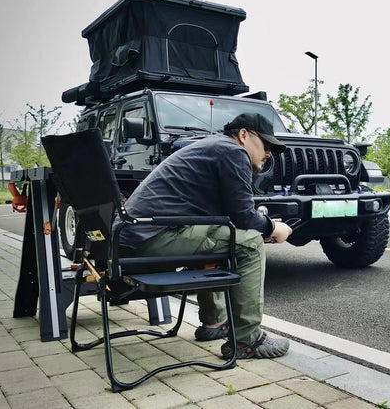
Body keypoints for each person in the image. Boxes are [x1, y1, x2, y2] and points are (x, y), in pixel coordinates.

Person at [119, 112, 293, 360]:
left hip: (134, 237)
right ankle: (247, 340)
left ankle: (214, 323)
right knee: (251, 245)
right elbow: (243, 216)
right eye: (266, 145)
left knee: (223, 237)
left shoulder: (213, 147)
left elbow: (226, 218)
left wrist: (261, 224)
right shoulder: (234, 152)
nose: (268, 154)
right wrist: (273, 229)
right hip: (151, 236)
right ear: (244, 135)